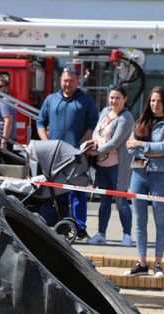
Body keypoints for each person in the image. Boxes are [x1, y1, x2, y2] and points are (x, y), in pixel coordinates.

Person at [37, 66, 99, 239]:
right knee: (58, 192)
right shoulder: (50, 99)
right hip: (55, 156)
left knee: (78, 192)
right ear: (60, 81)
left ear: (77, 81)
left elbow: (93, 124)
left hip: (76, 156)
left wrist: (80, 146)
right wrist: (46, 143)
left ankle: (80, 228)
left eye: (71, 81)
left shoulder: (86, 101)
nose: (68, 83)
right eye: (65, 80)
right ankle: (62, 226)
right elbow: (40, 122)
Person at [124, 86, 164, 279]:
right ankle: (141, 263)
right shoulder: (140, 122)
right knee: (139, 221)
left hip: (160, 176)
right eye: (153, 101)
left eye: (159, 101)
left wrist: (141, 145)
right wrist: (150, 150)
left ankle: (158, 264)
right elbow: (129, 148)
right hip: (138, 174)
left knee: (160, 220)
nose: (155, 104)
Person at [85, 85, 134, 246]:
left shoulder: (126, 117)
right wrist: (93, 142)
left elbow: (115, 142)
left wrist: (96, 151)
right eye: (112, 97)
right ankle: (101, 234)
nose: (114, 101)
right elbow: (95, 132)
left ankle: (127, 236)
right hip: (102, 165)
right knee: (104, 201)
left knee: (121, 201)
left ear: (125, 99)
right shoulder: (105, 111)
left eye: (118, 98)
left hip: (117, 166)